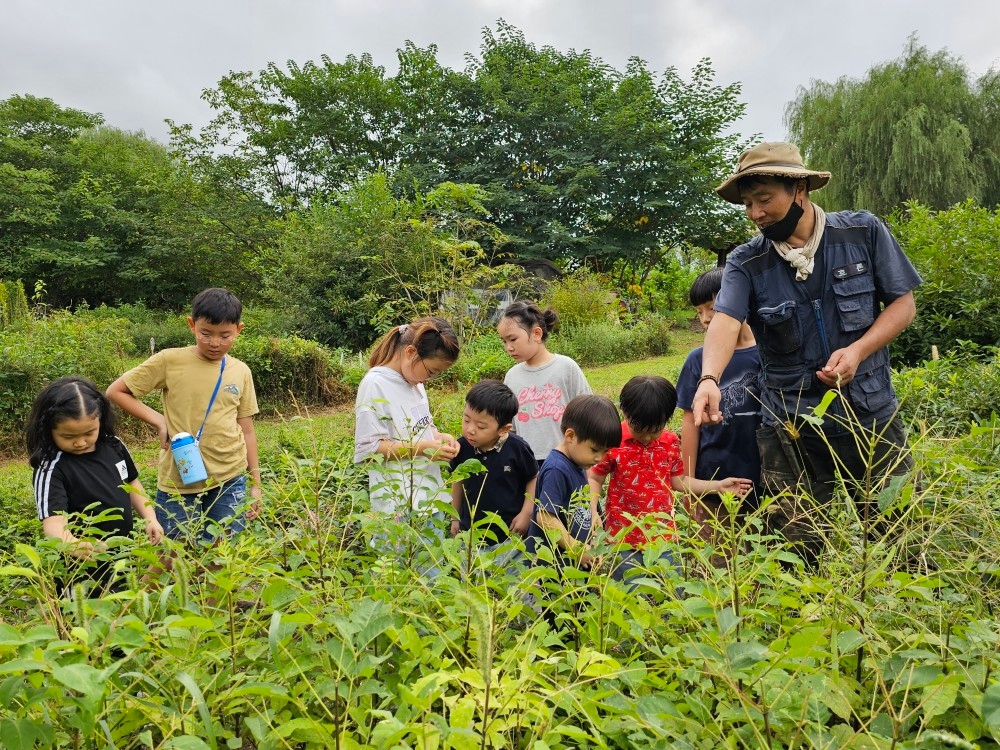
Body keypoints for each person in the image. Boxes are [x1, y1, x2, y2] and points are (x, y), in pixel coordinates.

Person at [692, 141, 922, 568]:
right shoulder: (747, 261)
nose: (755, 214)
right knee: (795, 547)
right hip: (789, 424)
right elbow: (725, 320)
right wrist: (708, 378)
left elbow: (902, 304)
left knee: (899, 532)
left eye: (765, 200)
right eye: (747, 204)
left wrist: (857, 351)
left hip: (869, 413)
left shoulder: (862, 233)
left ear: (799, 189)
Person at [107, 288, 261, 545]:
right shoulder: (170, 360)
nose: (215, 343)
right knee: (171, 554)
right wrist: (159, 420)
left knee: (222, 553)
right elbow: (117, 391)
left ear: (238, 330)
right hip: (179, 479)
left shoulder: (241, 371)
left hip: (229, 477)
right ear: (191, 325)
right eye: (206, 333)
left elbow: (247, 429)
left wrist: (255, 484)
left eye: (225, 336)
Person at [589, 376, 752, 583]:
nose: (647, 439)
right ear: (624, 412)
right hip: (622, 537)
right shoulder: (612, 439)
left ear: (667, 419)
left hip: (663, 536)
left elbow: (679, 481)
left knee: (671, 591)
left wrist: (717, 486)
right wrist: (593, 510)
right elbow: (595, 477)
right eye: (640, 431)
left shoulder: (670, 442)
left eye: (655, 431)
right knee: (626, 596)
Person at [28, 376, 163, 592]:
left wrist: (150, 518)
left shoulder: (113, 445)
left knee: (118, 606)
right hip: (80, 565)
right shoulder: (51, 466)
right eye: (68, 436)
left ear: (100, 419)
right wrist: (73, 544)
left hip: (121, 554)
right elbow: (53, 524)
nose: (80, 442)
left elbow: (132, 483)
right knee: (83, 618)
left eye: (89, 433)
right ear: (48, 429)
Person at [676, 268, 762, 556]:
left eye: (711, 308)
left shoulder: (768, 355)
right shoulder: (697, 361)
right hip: (713, 484)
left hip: (769, 483)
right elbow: (690, 426)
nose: (705, 319)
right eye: (699, 312)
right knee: (716, 562)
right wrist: (690, 487)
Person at [354, 317, 461, 523]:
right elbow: (370, 449)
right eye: (431, 371)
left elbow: (422, 426)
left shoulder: (415, 381)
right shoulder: (375, 384)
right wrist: (425, 448)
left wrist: (440, 437)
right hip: (397, 505)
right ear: (410, 352)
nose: (429, 379)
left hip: (429, 498)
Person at [449, 380, 538, 569]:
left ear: (503, 429)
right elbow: (457, 481)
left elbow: (533, 477)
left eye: (481, 427)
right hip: (470, 534)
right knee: (473, 584)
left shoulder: (517, 448)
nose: (470, 429)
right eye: (466, 420)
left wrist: (526, 512)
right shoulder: (462, 447)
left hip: (509, 533)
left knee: (512, 582)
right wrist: (454, 516)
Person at [532, 394, 621, 570]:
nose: (599, 458)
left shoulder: (578, 461)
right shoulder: (557, 469)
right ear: (570, 435)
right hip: (555, 565)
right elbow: (544, 517)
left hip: (574, 563)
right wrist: (576, 548)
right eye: (595, 449)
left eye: (605, 451)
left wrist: (594, 518)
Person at [499, 301, 591, 465]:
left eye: (513, 339)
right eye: (504, 341)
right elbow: (509, 426)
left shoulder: (566, 367)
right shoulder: (512, 376)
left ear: (536, 333)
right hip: (527, 462)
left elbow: (588, 412)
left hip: (566, 458)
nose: (509, 347)